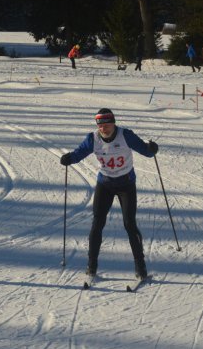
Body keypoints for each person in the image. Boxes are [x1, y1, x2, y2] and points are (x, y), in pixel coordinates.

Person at [60, 108, 158, 280]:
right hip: (105, 184)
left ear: (113, 123)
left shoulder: (125, 135)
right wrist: (69, 158)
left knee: (129, 224)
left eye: (106, 124)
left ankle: (140, 268)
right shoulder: (93, 139)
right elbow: (79, 153)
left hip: (126, 184)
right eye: (100, 125)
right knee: (97, 223)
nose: (103, 128)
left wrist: (152, 149)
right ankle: (91, 267)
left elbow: (146, 151)